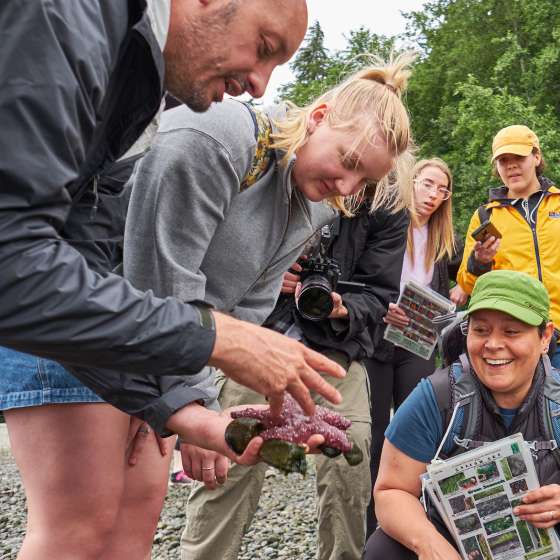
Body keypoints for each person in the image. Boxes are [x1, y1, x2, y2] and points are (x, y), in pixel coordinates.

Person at [0, 0, 347, 458]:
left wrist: (192, 415)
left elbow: (83, 267)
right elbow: (16, 266)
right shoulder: (69, 17)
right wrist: (218, 339)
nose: (260, 85)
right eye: (263, 47)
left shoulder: (136, 98)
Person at [135, 56, 415, 560]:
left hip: (314, 346)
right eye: (349, 162)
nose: (348, 186)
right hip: (189, 335)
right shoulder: (232, 141)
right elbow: (168, 281)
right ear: (319, 116)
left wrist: (331, 314)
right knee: (222, 463)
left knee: (345, 451)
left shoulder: (336, 209)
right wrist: (194, 402)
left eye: (366, 179)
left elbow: (264, 304)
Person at [364, 270, 560, 560]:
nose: (493, 345)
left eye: (512, 331)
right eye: (480, 330)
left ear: (544, 336)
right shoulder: (434, 398)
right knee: (382, 554)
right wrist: (428, 544)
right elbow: (391, 492)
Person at [456, 125, 560, 384]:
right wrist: (480, 262)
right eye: (503, 160)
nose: (511, 166)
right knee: (518, 421)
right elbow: (467, 285)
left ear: (537, 157)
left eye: (518, 158)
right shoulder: (485, 216)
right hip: (515, 338)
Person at [365, 157, 465, 536]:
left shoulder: (444, 240)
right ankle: (373, 523)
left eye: (442, 190)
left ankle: (417, 517)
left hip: (418, 342)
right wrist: (378, 308)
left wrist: (478, 267)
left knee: (418, 428)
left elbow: (460, 285)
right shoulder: (388, 222)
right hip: (377, 337)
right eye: (427, 184)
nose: (433, 195)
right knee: (375, 433)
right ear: (411, 182)